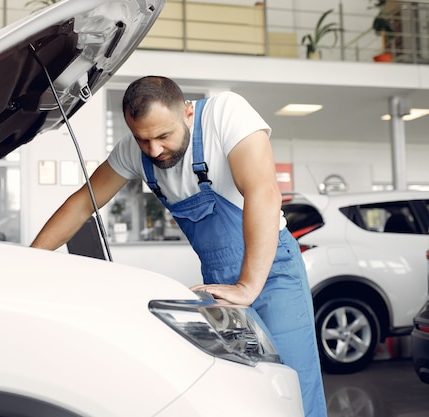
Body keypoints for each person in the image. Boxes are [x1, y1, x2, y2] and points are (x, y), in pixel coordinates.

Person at [31, 75, 327, 417]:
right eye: (143, 139)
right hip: (219, 283)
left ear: (187, 113)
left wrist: (247, 285)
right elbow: (82, 203)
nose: (154, 150)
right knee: (247, 390)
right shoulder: (132, 152)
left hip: (272, 271)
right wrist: (30, 259)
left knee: (292, 383)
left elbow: (262, 191)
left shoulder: (225, 113)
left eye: (163, 136)